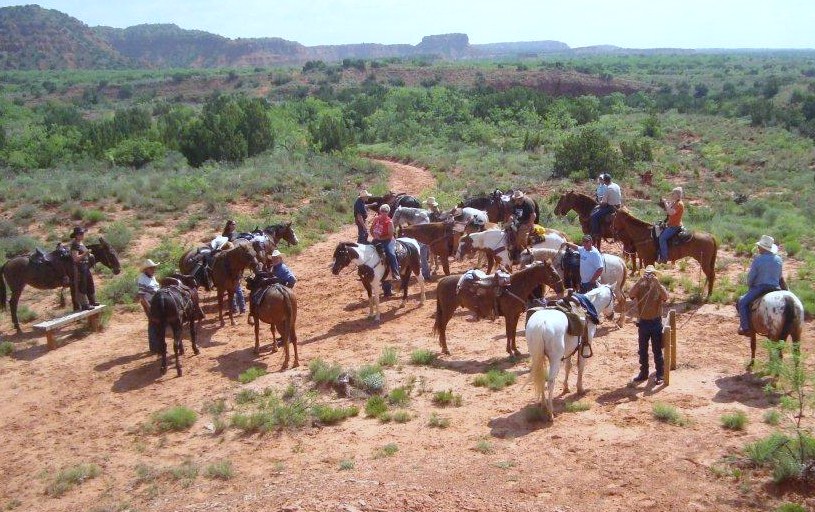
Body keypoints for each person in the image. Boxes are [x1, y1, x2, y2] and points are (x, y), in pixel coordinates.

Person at [628, 265, 669, 385]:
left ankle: (660, 374)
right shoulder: (640, 287)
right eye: (647, 274)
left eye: (652, 275)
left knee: (657, 350)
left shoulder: (659, 287)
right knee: (642, 350)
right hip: (643, 323)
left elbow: (665, 297)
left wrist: (656, 283)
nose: (650, 277)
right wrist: (640, 280)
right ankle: (644, 373)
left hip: (656, 322)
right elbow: (631, 294)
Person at [737, 235, 785, 336]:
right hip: (776, 288)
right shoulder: (779, 259)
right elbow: (780, 277)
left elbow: (751, 278)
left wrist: (750, 285)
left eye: (759, 247)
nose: (758, 248)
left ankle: (745, 328)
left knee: (742, 302)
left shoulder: (758, 260)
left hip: (761, 288)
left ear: (763, 248)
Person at [370, 204, 400, 297]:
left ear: (388, 212)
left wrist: (380, 238)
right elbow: (371, 229)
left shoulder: (389, 222)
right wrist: (374, 236)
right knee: (368, 252)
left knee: (391, 254)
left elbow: (390, 235)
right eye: (382, 211)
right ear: (380, 211)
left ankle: (395, 272)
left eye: (385, 211)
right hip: (377, 240)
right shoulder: (376, 219)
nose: (383, 213)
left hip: (387, 241)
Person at [220, 219, 245, 314]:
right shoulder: (225, 236)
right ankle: (239, 308)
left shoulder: (235, 234)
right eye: (233, 224)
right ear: (229, 225)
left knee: (234, 287)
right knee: (235, 287)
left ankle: (238, 308)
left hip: (233, 264)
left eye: (235, 224)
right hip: (232, 262)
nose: (234, 226)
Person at [137, 259, 163, 353]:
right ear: (146, 269)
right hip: (149, 303)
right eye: (151, 268)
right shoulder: (142, 279)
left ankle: (158, 345)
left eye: (154, 268)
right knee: (153, 323)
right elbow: (142, 297)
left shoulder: (151, 276)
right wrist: (149, 308)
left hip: (156, 303)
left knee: (157, 323)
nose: (153, 269)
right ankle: (154, 347)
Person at [69, 226, 97, 310]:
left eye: (82, 233)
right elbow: (75, 258)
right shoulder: (75, 245)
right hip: (79, 268)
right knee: (82, 285)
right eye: (80, 234)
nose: (82, 235)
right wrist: (85, 253)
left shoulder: (81, 243)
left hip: (85, 266)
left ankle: (92, 301)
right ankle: (84, 304)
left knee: (89, 283)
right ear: (76, 235)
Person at [590, 174, 622, 241]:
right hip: (618, 206)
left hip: (610, 208)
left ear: (604, 181)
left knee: (594, 216)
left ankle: (596, 233)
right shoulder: (616, 185)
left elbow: (604, 203)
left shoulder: (608, 188)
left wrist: (599, 203)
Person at [658, 187, 685, 263]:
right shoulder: (674, 202)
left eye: (673, 193)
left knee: (662, 238)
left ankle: (664, 257)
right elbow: (668, 209)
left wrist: (666, 203)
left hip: (674, 226)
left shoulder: (679, 204)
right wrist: (665, 203)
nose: (672, 195)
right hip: (670, 224)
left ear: (677, 194)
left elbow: (670, 212)